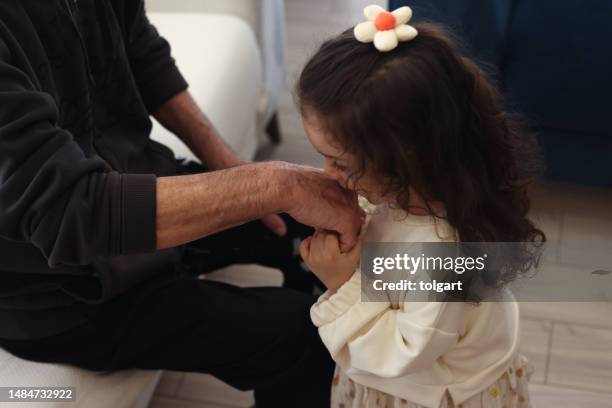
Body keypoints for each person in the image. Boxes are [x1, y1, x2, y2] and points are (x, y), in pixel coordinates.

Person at [0, 1, 363, 407]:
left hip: (134, 184)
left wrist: (229, 165)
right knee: (304, 337)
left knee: (323, 236)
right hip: (62, 293)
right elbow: (70, 211)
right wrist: (275, 185)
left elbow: (142, 52)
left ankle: (447, 293)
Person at [296, 5, 545, 408]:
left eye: (339, 163)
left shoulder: (441, 256)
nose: (326, 172)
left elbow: (404, 351)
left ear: (404, 159)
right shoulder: (405, 192)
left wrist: (342, 284)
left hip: (425, 390)